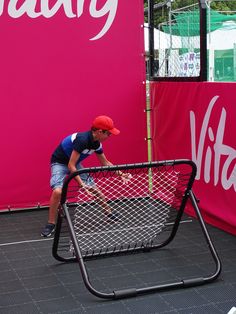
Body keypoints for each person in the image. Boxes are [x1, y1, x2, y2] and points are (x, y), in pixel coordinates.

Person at [41, 115, 130, 237]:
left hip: (74, 163)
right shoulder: (82, 140)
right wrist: (82, 185)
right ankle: (51, 223)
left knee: (95, 189)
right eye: (108, 134)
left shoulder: (96, 144)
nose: (110, 137)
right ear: (99, 132)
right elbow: (70, 165)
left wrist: (121, 174)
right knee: (57, 192)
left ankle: (109, 214)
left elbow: (105, 162)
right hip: (60, 163)